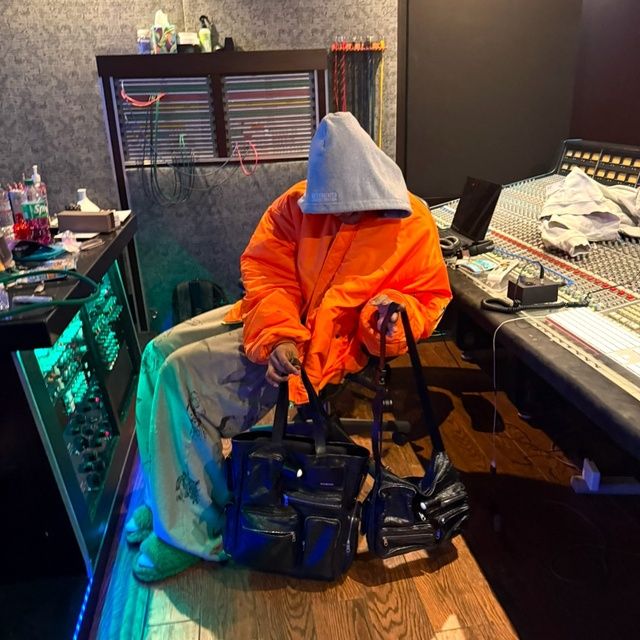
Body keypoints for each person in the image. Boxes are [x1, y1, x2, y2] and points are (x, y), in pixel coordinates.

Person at [127, 111, 452, 582]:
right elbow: (266, 274)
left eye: (353, 208)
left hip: (329, 347)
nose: (342, 216)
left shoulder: (412, 221)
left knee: (181, 374)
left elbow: (427, 298)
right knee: (157, 353)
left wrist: (385, 315)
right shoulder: (294, 205)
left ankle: (194, 530)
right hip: (278, 323)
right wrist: (278, 334)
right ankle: (165, 501)